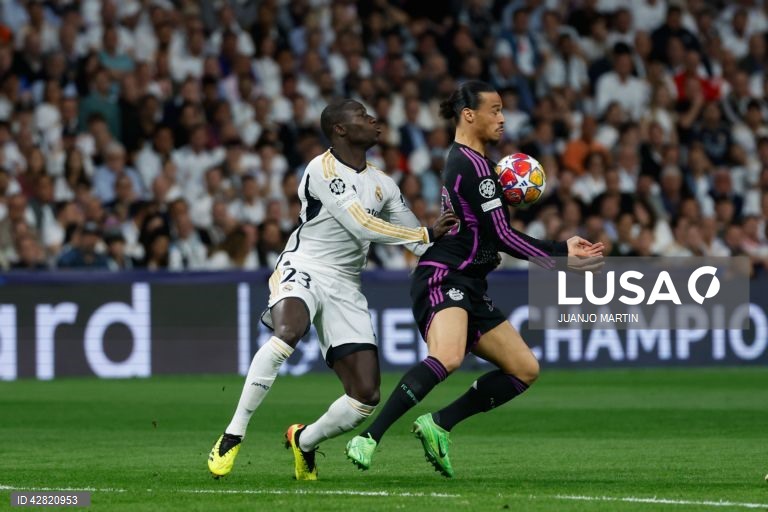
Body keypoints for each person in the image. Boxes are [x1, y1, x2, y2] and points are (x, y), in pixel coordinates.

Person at [345, 81, 604, 477]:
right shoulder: (475, 167)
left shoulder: (476, 163)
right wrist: (560, 254)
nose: (502, 118)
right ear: (469, 115)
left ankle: (440, 423)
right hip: (444, 274)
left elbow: (491, 234)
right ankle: (369, 437)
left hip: (471, 283)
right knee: (448, 356)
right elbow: (502, 236)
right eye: (495, 110)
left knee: (524, 368)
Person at [207, 99, 457, 480]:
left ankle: (303, 441)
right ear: (340, 129)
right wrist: (424, 232)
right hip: (304, 265)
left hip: (345, 283)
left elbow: (420, 244)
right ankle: (233, 433)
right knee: (289, 331)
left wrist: (463, 233)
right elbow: (360, 224)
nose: (373, 119)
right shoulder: (322, 168)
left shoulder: (383, 184)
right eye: (362, 115)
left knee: (365, 397)